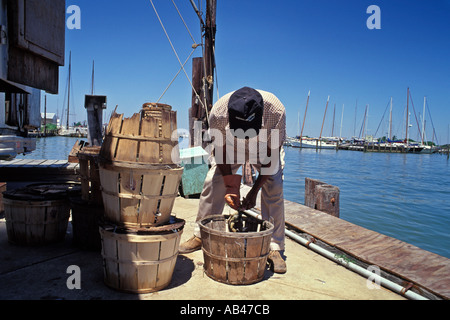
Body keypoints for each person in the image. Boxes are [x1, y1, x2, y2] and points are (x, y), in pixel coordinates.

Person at [179, 87, 287, 273]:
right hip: (230, 146)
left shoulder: (276, 111)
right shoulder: (219, 112)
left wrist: (254, 192)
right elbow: (219, 152)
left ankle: (274, 246)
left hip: (264, 148)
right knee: (213, 181)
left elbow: (272, 158)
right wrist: (231, 187)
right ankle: (202, 235)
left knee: (274, 185)